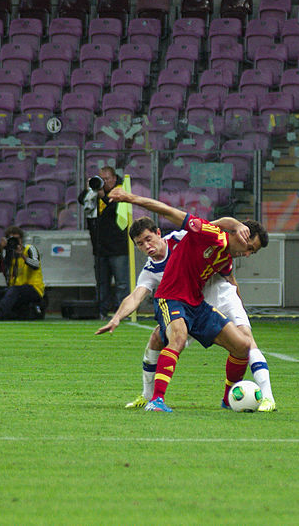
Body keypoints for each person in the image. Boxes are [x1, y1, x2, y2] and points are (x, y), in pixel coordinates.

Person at [107, 187, 265, 413]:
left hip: (197, 304)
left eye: (148, 239)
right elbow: (169, 211)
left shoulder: (223, 256)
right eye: (248, 248)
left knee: (242, 345)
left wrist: (237, 224)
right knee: (176, 337)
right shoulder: (207, 235)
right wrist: (129, 198)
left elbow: (221, 227)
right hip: (170, 299)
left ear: (158, 234)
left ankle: (228, 399)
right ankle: (155, 400)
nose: (248, 254)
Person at [77, 165, 130, 318]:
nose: (104, 182)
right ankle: (101, 311)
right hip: (99, 247)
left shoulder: (121, 191)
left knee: (121, 283)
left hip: (118, 247)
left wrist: (103, 196)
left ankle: (123, 312)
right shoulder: (94, 193)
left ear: (114, 178)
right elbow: (81, 200)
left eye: (107, 179)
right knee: (102, 283)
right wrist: (90, 188)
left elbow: (117, 209)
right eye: (102, 179)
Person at [0, 225, 45, 321]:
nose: (14, 242)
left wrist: (22, 255)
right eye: (11, 239)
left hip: (33, 289)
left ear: (21, 239)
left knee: (14, 290)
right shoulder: (9, 254)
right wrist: (2, 250)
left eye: (16, 239)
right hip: (14, 290)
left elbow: (36, 265)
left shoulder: (29, 249)